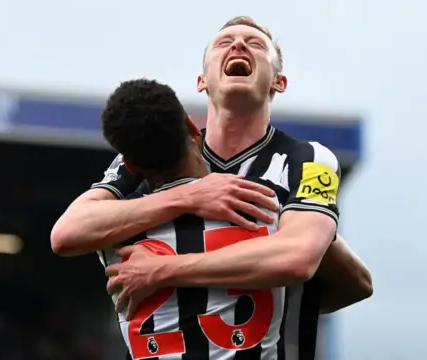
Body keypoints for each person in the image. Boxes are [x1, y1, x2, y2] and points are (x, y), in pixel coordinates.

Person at [52, 16, 372, 360]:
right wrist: (190, 196)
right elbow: (66, 234)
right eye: (224, 42)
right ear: (202, 81)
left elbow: (316, 265)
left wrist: (163, 270)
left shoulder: (308, 159)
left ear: (278, 82)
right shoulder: (157, 152)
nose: (238, 45)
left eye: (255, 43)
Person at [98, 78, 286, 359]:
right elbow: (352, 283)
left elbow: (65, 235)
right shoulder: (265, 203)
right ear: (191, 127)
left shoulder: (109, 233)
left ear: (130, 165)